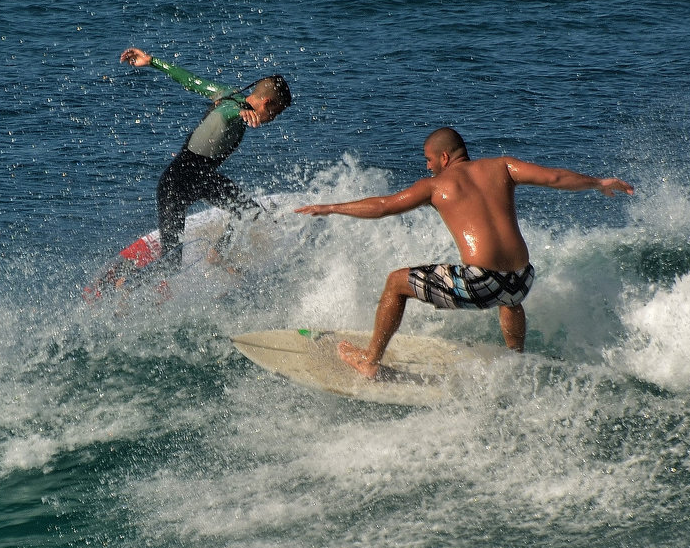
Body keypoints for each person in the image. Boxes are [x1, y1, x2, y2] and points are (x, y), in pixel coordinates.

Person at [295, 127, 634, 378]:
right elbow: (556, 177)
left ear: (444, 157)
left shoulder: (436, 185)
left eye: (429, 160)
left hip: (480, 283)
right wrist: (598, 183)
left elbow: (383, 206)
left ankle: (369, 361)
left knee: (396, 282)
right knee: (509, 299)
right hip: (521, 280)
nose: (427, 167)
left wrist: (331, 207)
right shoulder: (503, 166)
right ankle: (515, 360)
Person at [119, 47, 292, 269]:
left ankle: (217, 254)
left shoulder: (227, 93)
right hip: (176, 185)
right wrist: (240, 113)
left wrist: (153, 61)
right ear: (267, 102)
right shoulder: (233, 106)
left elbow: (192, 81)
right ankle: (127, 277)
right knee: (171, 265)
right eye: (274, 113)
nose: (272, 119)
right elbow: (226, 113)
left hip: (199, 180)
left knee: (248, 212)